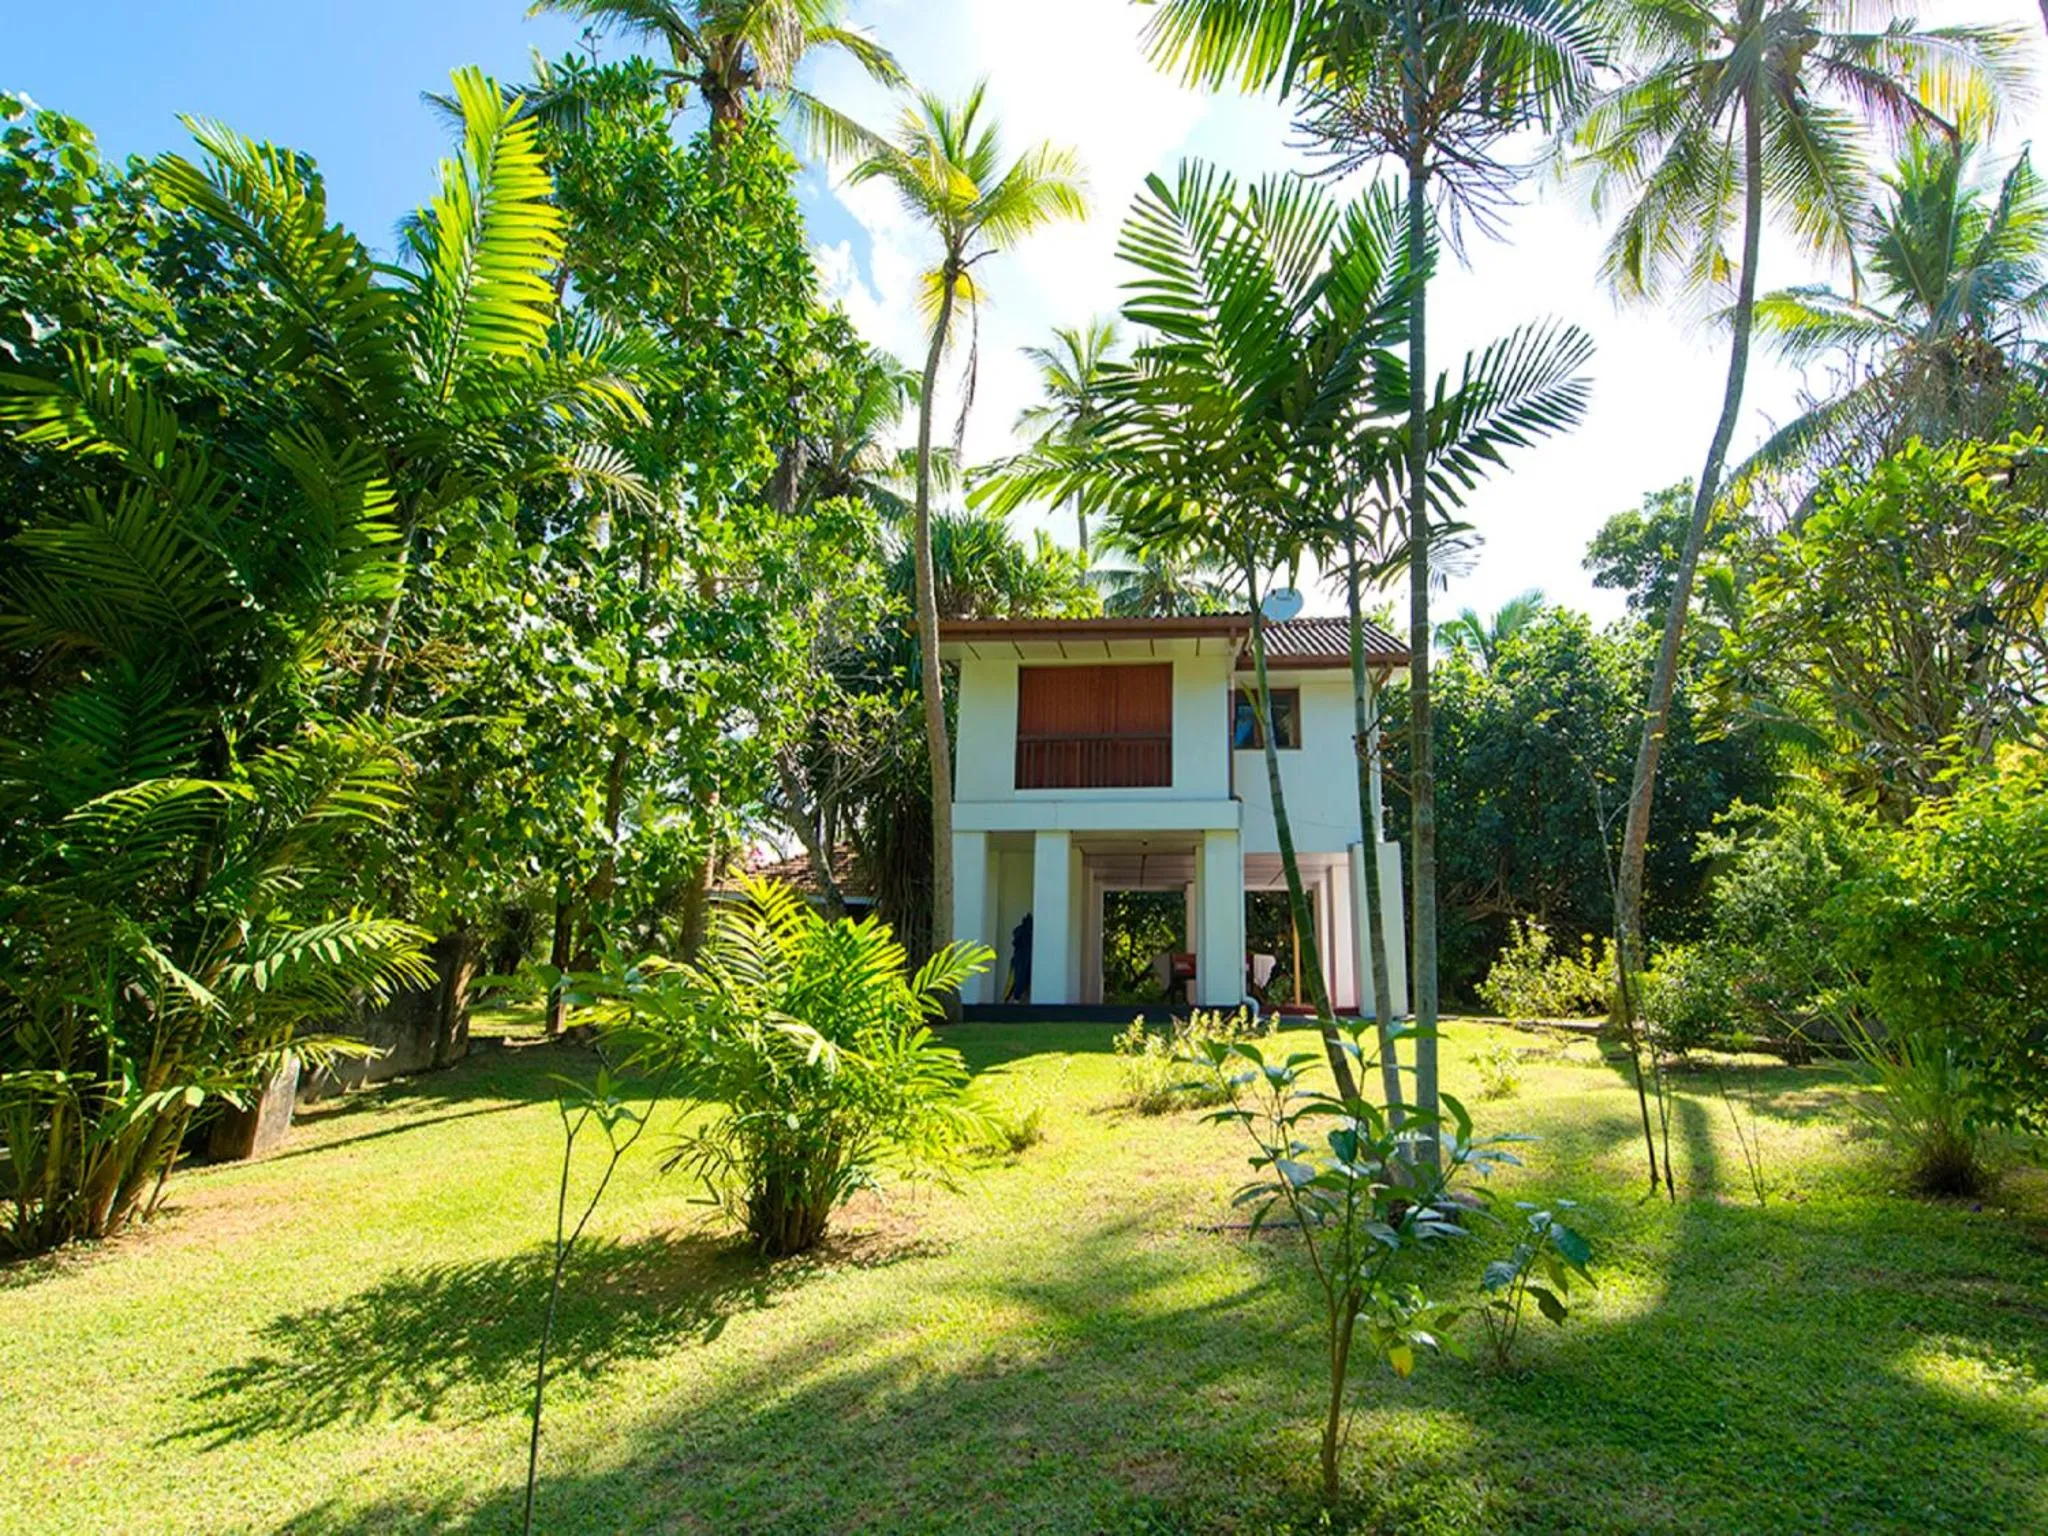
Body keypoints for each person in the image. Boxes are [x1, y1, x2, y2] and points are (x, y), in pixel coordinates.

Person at [1004, 912, 1034, 1002]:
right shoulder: (1021, 932)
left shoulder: (1025, 934)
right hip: (1020, 961)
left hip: (1025, 961)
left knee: (1023, 981)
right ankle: (1010, 999)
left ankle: (1017, 999)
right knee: (1016, 980)